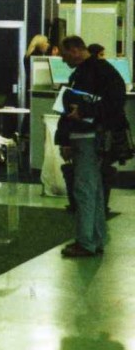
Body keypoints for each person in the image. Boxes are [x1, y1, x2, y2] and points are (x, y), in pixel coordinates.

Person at [55, 35, 128, 258]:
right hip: (93, 136)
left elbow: (106, 105)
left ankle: (86, 242)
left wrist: (84, 115)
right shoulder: (102, 71)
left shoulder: (88, 73)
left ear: (76, 50)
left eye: (66, 55)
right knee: (93, 189)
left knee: (84, 189)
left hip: (87, 136)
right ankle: (95, 238)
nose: (65, 60)